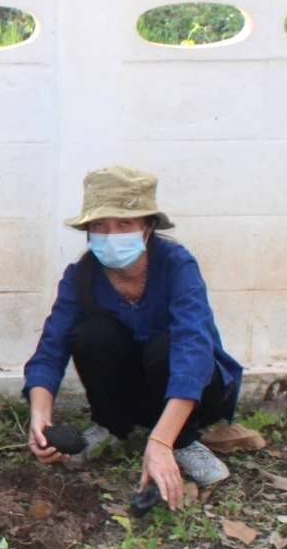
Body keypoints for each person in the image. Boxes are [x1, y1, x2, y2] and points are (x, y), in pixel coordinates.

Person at [25, 166, 242, 511]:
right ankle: (113, 426)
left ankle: (182, 439)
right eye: (99, 225)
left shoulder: (177, 266)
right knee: (92, 334)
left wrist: (162, 441)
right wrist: (40, 416)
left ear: (147, 227)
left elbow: (194, 350)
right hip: (130, 392)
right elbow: (51, 348)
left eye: (124, 223)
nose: (110, 235)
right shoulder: (81, 276)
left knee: (167, 347)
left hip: (192, 390)